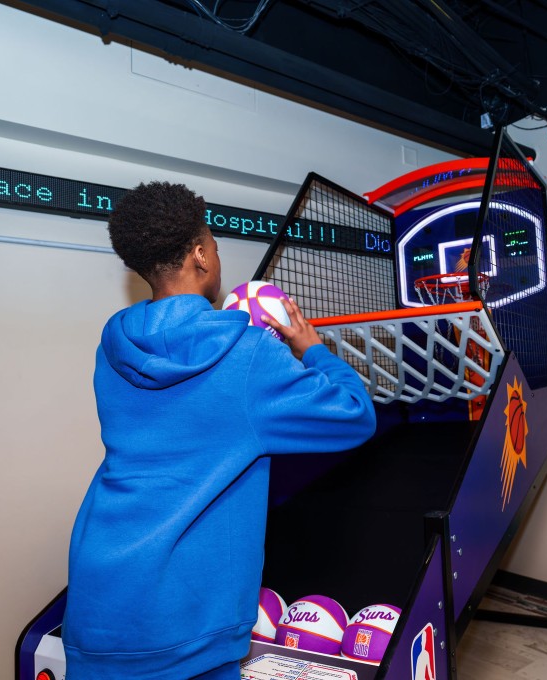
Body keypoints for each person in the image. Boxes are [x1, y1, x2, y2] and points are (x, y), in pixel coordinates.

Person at [62, 181, 376, 679]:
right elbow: (355, 413)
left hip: (101, 597)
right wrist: (311, 348)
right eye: (213, 243)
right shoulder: (248, 355)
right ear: (200, 255)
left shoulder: (112, 348)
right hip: (185, 615)